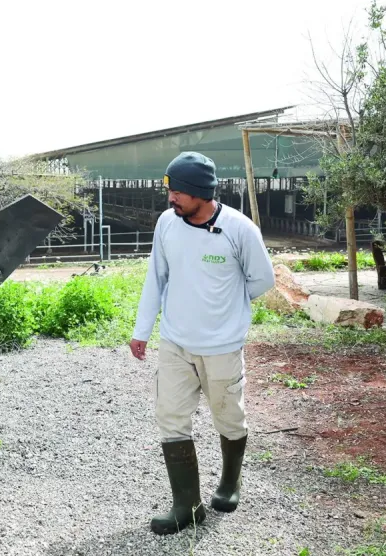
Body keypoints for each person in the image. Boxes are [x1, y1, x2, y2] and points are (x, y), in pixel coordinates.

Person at [129, 151, 275, 536]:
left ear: (200, 192)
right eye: (169, 191)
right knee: (171, 418)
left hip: (222, 347)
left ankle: (229, 483)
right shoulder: (167, 224)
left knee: (229, 416)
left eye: (178, 192)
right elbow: (155, 276)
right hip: (175, 342)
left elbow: (262, 281)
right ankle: (187, 506)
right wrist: (142, 329)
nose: (171, 199)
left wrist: (228, 309)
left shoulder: (240, 229)